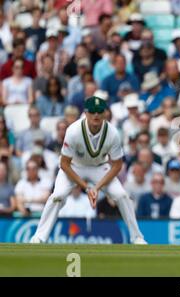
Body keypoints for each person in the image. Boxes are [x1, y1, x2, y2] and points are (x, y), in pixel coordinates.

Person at [29, 96, 146, 244]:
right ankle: (39, 237)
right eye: (92, 112)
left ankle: (137, 237)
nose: (96, 115)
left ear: (105, 113)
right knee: (57, 196)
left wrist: (97, 187)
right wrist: (86, 188)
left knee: (122, 195)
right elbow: (64, 163)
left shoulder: (113, 133)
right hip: (74, 166)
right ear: (86, 113)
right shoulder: (73, 131)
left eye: (99, 111)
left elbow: (117, 165)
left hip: (99, 167)